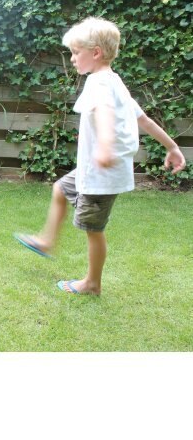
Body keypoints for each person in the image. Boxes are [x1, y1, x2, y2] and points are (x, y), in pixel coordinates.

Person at [14, 17, 186, 296]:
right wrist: (172, 146)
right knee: (60, 189)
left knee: (93, 229)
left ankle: (92, 283)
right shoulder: (114, 81)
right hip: (91, 171)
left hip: (101, 175)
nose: (72, 59)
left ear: (95, 53)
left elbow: (105, 112)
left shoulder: (99, 84)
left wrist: (104, 147)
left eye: (75, 52)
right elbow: (143, 119)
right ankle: (46, 241)